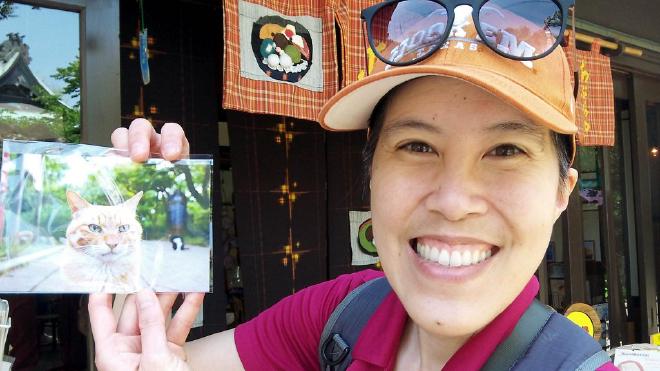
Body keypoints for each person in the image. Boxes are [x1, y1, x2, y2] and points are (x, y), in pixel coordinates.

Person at [89, 1, 617, 370]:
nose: (454, 202)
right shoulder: (342, 315)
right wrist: (140, 277)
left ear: (561, 192)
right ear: (371, 174)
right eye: (417, 146)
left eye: (506, 151)